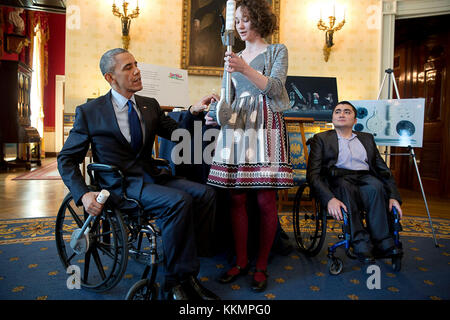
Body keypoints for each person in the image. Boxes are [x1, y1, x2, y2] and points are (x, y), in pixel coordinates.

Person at [57, 48, 220, 300]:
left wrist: (193, 110)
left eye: (136, 64)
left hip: (152, 177)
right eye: (128, 68)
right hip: (120, 186)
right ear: (110, 78)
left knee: (205, 194)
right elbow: (66, 159)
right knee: (179, 202)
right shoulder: (90, 112)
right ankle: (176, 282)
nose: (137, 71)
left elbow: (178, 134)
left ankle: (185, 265)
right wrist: (83, 194)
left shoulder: (149, 105)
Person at [205, 0, 293, 292]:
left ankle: (262, 265)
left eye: (245, 20)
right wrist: (215, 111)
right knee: (236, 199)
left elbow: (275, 89)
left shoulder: (277, 50)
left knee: (265, 201)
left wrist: (243, 68)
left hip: (266, 125)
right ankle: (241, 261)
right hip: (237, 127)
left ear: (258, 20)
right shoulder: (234, 55)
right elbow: (228, 97)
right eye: (237, 21)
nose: (240, 26)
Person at [307, 101, 403, 263]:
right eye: (337, 112)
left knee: (377, 187)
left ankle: (384, 242)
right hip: (337, 179)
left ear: (355, 120)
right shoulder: (321, 139)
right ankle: (360, 243)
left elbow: (383, 171)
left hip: (364, 178)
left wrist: (393, 196)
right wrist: (329, 199)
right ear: (332, 118)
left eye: (347, 112)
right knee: (345, 187)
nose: (342, 114)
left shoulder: (367, 139)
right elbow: (313, 175)